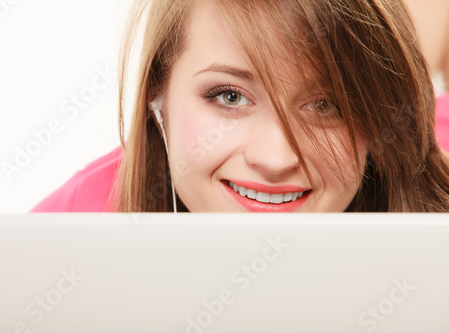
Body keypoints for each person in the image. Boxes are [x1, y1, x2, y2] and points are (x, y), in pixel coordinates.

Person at [32, 0, 449, 213]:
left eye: (326, 105)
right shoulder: (68, 232)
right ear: (157, 96)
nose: (275, 159)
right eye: (229, 96)